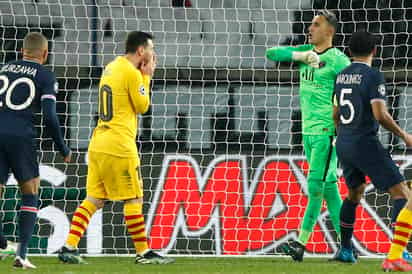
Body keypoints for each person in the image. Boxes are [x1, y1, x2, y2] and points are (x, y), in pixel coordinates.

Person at [57, 31, 173, 265]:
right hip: (119, 144)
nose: (153, 54)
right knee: (134, 199)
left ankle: (69, 246)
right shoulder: (132, 72)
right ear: (141, 51)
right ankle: (143, 253)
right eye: (151, 49)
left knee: (95, 199)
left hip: (99, 142)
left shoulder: (111, 66)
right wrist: (147, 76)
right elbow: (142, 106)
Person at [266, 10, 350, 261]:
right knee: (329, 191)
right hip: (307, 132)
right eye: (311, 24)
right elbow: (271, 53)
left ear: (329, 32)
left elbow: (352, 90)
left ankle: (300, 243)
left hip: (328, 132)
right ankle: (347, 249)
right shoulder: (306, 52)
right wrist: (301, 55)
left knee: (315, 186)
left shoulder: (339, 60)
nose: (310, 28)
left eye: (316, 25)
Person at [332, 31, 412, 269]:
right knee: (402, 193)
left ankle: (345, 249)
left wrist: (342, 136)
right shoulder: (373, 76)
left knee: (354, 193)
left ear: (349, 52)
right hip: (364, 142)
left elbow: (335, 115)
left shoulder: (340, 76)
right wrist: (404, 135)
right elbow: (380, 114)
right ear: (374, 51)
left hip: (344, 142)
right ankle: (399, 253)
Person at [0, 32, 71, 269]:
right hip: (21, 136)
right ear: (46, 54)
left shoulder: (4, 68)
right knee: (30, 191)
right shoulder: (45, 75)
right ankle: (21, 254)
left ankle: (1, 243)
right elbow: (50, 116)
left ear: (22, 51)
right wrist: (62, 146)